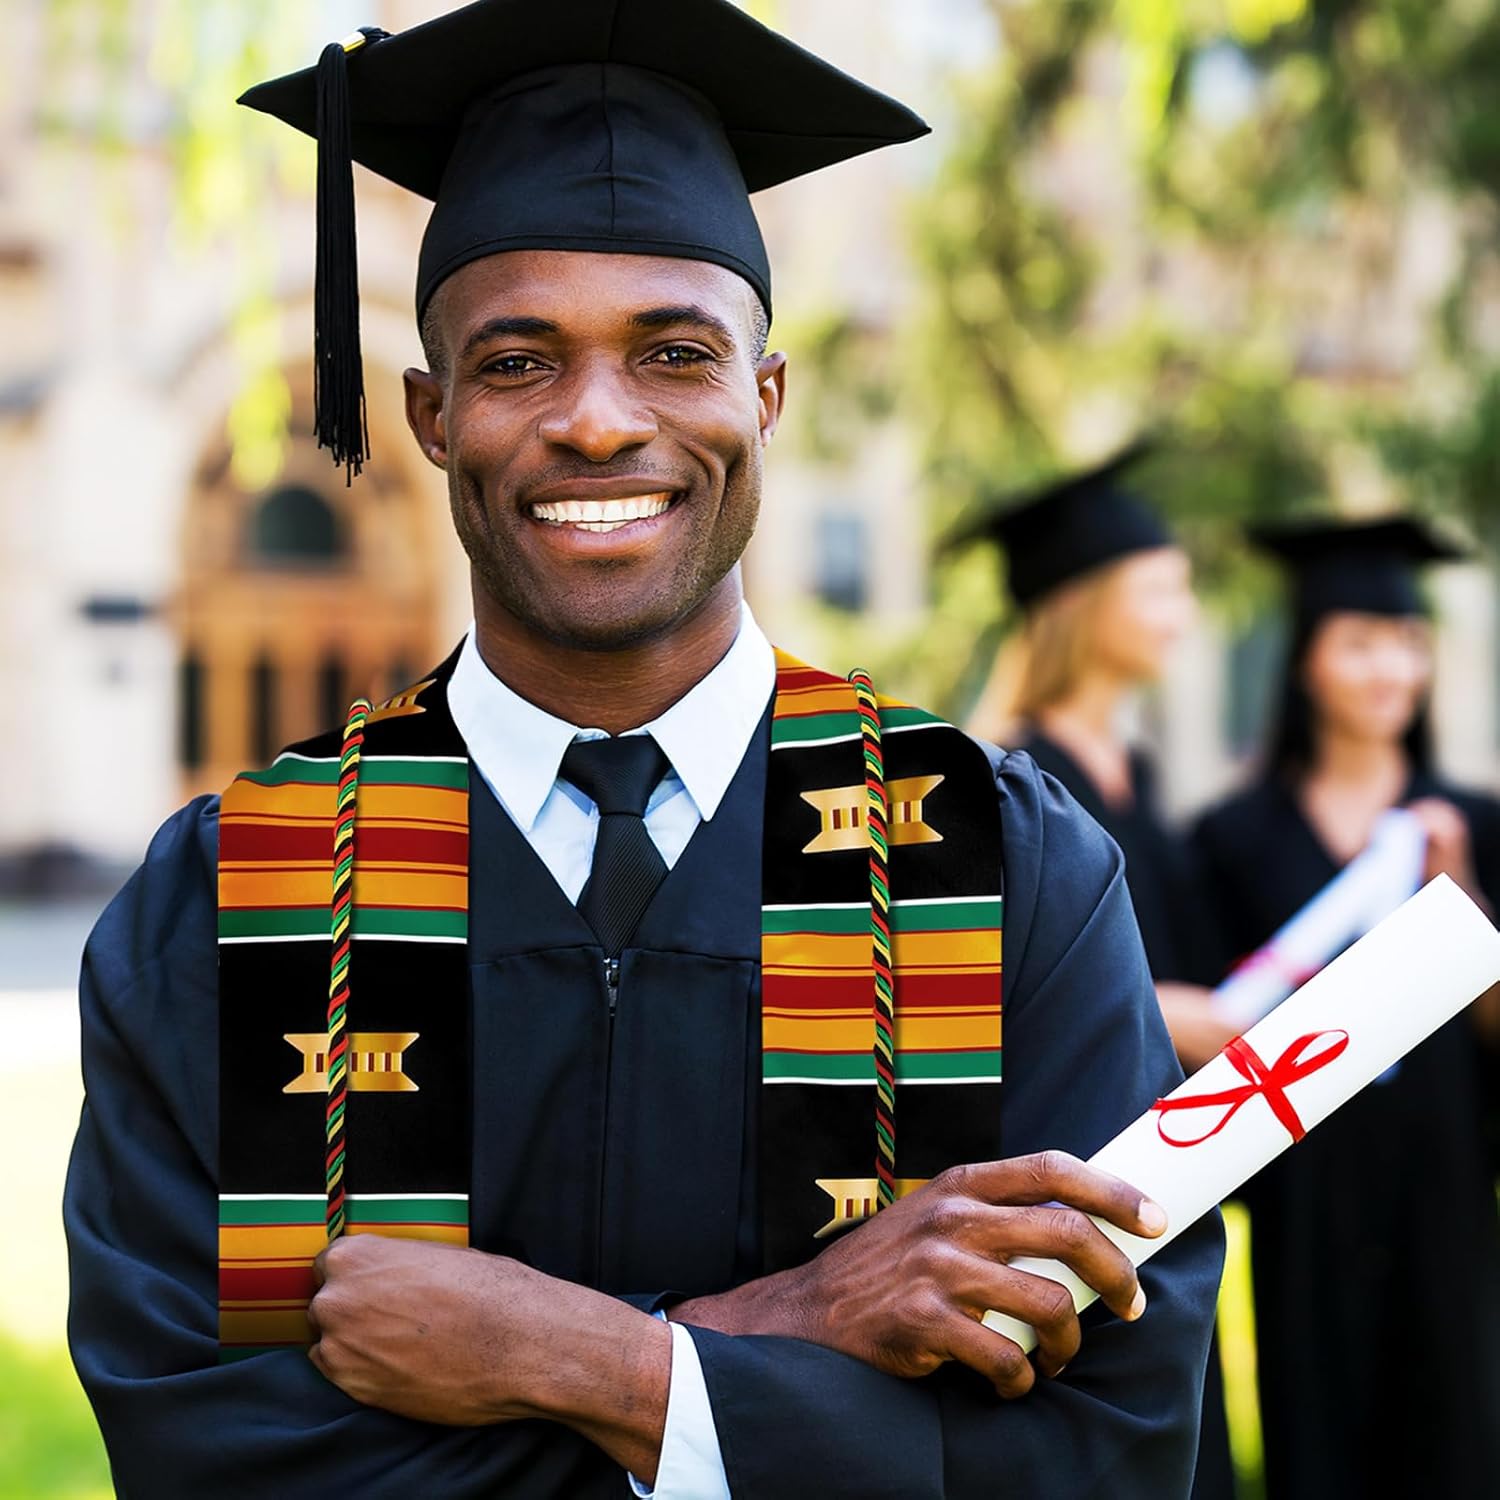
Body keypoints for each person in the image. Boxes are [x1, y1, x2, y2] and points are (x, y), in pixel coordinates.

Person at [63, 3, 1222, 1496]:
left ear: (768, 396)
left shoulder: (1000, 870)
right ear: (429, 415)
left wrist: (587, 1362)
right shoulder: (250, 896)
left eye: (675, 354)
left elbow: (1102, 1452)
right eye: (519, 363)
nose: (599, 423)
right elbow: (216, 1457)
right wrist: (784, 1335)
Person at [950, 448, 1238, 1500]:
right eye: (1161, 585)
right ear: (1086, 600)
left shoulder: (1141, 770)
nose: (1183, 610)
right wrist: (1176, 1014)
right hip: (1064, 1177)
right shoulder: (1007, 785)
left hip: (1166, 1178)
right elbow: (986, 992)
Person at [1194, 516, 1500, 1500]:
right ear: (1309, 660)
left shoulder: (1474, 827)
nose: (1389, 668)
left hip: (1445, 1202)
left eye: (1407, 643)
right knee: (1313, 1449)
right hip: (1306, 1204)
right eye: (1360, 642)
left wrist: (1464, 904)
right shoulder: (1234, 838)